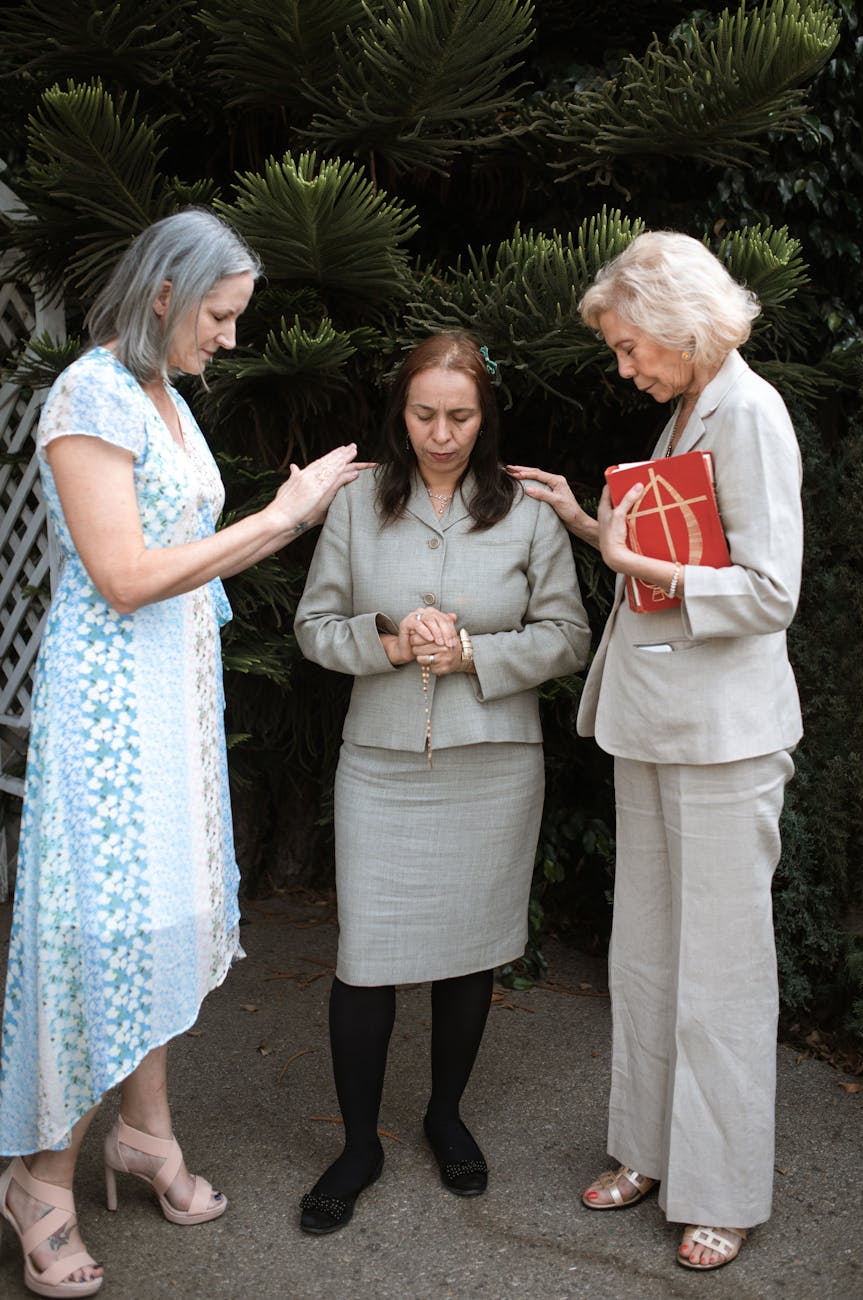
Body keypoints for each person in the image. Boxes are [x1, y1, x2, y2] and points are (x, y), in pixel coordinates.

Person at [0, 208, 367, 1297]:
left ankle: (146, 1135)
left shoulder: (165, 397)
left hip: (175, 695)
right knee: (90, 928)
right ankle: (40, 1175)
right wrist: (282, 518)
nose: (231, 338)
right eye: (221, 314)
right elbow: (122, 573)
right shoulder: (90, 395)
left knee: (163, 914)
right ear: (165, 293)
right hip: (108, 709)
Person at [508, 230, 803, 1272]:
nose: (625, 367)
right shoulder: (687, 405)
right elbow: (664, 554)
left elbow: (772, 590)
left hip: (726, 735)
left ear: (682, 324)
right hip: (657, 717)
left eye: (633, 347)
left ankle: (722, 1190)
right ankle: (645, 1148)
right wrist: (589, 524)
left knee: (721, 972)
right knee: (645, 956)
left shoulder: (751, 411)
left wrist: (638, 560)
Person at [293, 332, 590, 1234]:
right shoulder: (356, 504)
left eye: (460, 416)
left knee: (472, 948)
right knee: (365, 960)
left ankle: (444, 1115)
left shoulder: (530, 511)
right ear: (401, 410)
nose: (441, 432)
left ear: (485, 416)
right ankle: (357, 1143)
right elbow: (313, 625)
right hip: (379, 761)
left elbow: (568, 637)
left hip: (494, 762)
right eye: (424, 414)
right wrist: (385, 643)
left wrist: (471, 653)